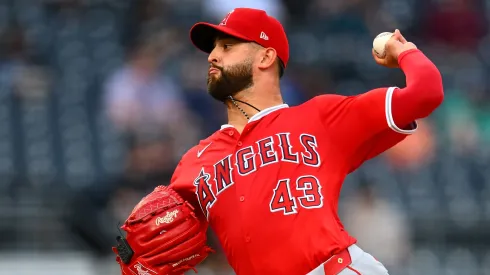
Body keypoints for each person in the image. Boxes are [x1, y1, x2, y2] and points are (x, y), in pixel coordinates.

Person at [170, 7, 443, 275]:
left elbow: (426, 92)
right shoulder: (193, 163)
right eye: (213, 49)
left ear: (265, 57)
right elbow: (162, 242)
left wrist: (405, 51)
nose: (212, 57)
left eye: (227, 46)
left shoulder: (321, 118)